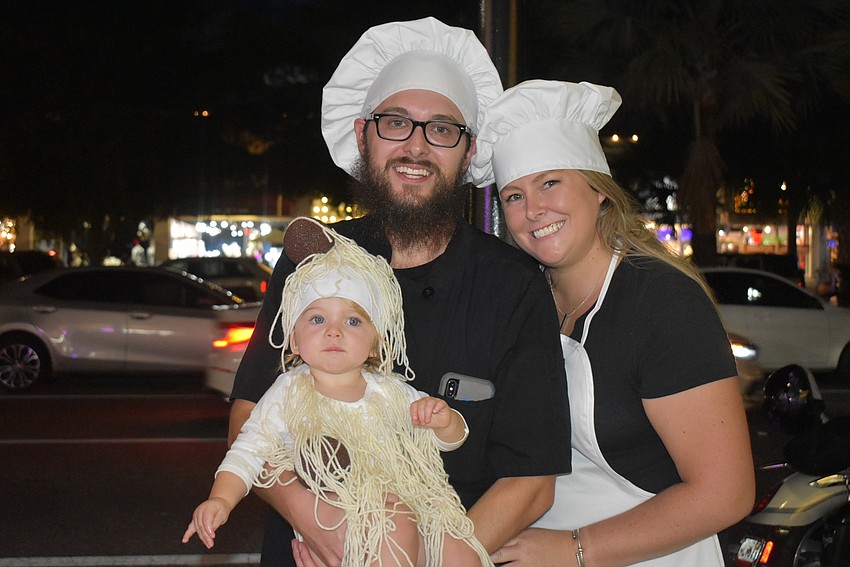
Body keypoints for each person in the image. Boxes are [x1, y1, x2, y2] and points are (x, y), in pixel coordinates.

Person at [227, 17, 571, 567]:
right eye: (395, 123)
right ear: (363, 134)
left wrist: (417, 561)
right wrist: (326, 529)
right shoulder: (311, 260)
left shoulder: (512, 285)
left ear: (468, 151)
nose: (416, 146)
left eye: (442, 128)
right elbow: (250, 416)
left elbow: (532, 481)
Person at [469, 80, 755, 566]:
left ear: (598, 190)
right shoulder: (525, 297)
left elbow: (726, 493)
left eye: (550, 183)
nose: (534, 210)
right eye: (514, 196)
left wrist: (577, 549)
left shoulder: (661, 302)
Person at [183, 219, 491, 566]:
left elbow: (450, 439)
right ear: (294, 340)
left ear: (376, 345)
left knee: (463, 552)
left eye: (353, 321)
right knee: (393, 526)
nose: (333, 332)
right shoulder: (289, 393)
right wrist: (220, 499)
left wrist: (444, 420)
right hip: (346, 522)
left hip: (414, 508)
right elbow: (248, 450)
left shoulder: (390, 391)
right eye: (317, 319)